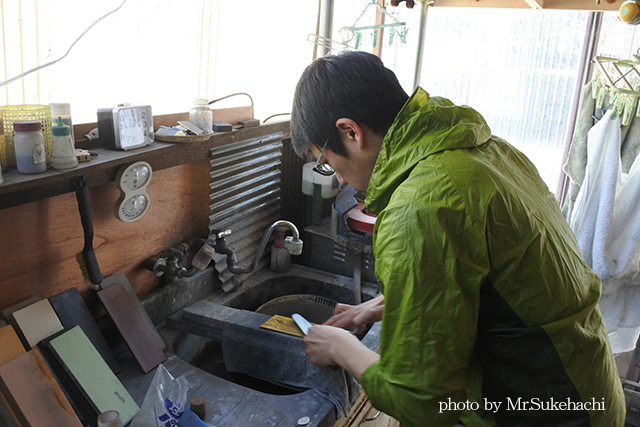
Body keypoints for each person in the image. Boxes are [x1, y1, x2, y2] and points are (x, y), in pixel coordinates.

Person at [290, 50, 625, 427]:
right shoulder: (485, 152)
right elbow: (495, 275)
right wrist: (384, 304)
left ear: (351, 132)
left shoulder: (420, 205)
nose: (336, 179)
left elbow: (422, 400)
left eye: (325, 162)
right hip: (588, 385)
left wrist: (344, 348)